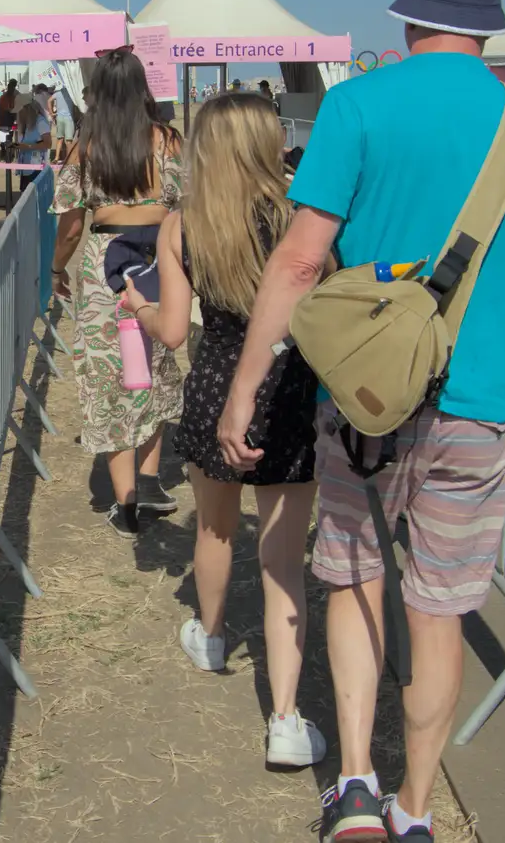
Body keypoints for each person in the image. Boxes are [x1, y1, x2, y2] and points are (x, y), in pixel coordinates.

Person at [215, 0, 505, 842]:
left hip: (364, 402)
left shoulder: (356, 107)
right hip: (480, 407)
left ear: (410, 17)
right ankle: (417, 807)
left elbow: (301, 260)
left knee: (353, 580)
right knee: (442, 608)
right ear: (489, 27)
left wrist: (245, 390)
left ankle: (353, 788)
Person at [121, 94, 325, 767]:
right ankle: (288, 719)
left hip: (215, 384)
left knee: (214, 528)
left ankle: (210, 637)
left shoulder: (182, 226)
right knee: (283, 562)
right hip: (289, 388)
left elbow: (175, 332)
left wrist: (141, 309)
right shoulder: (302, 218)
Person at [50, 48, 184, 537]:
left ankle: (126, 501)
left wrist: (56, 269)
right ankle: (149, 482)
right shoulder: (168, 140)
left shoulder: (87, 145)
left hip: (105, 263)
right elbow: (186, 201)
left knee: (110, 375)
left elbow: (69, 225)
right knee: (154, 368)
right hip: (160, 261)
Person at [12, 102, 51, 193]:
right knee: (25, 191)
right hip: (25, 164)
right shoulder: (25, 123)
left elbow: (48, 143)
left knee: (33, 192)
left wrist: (29, 146)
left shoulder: (40, 122)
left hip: (36, 164)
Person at [0, 78, 22, 160]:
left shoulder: (5, 96)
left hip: (7, 119)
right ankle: (7, 152)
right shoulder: (14, 95)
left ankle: (7, 152)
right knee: (8, 137)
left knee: (7, 137)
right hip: (9, 119)